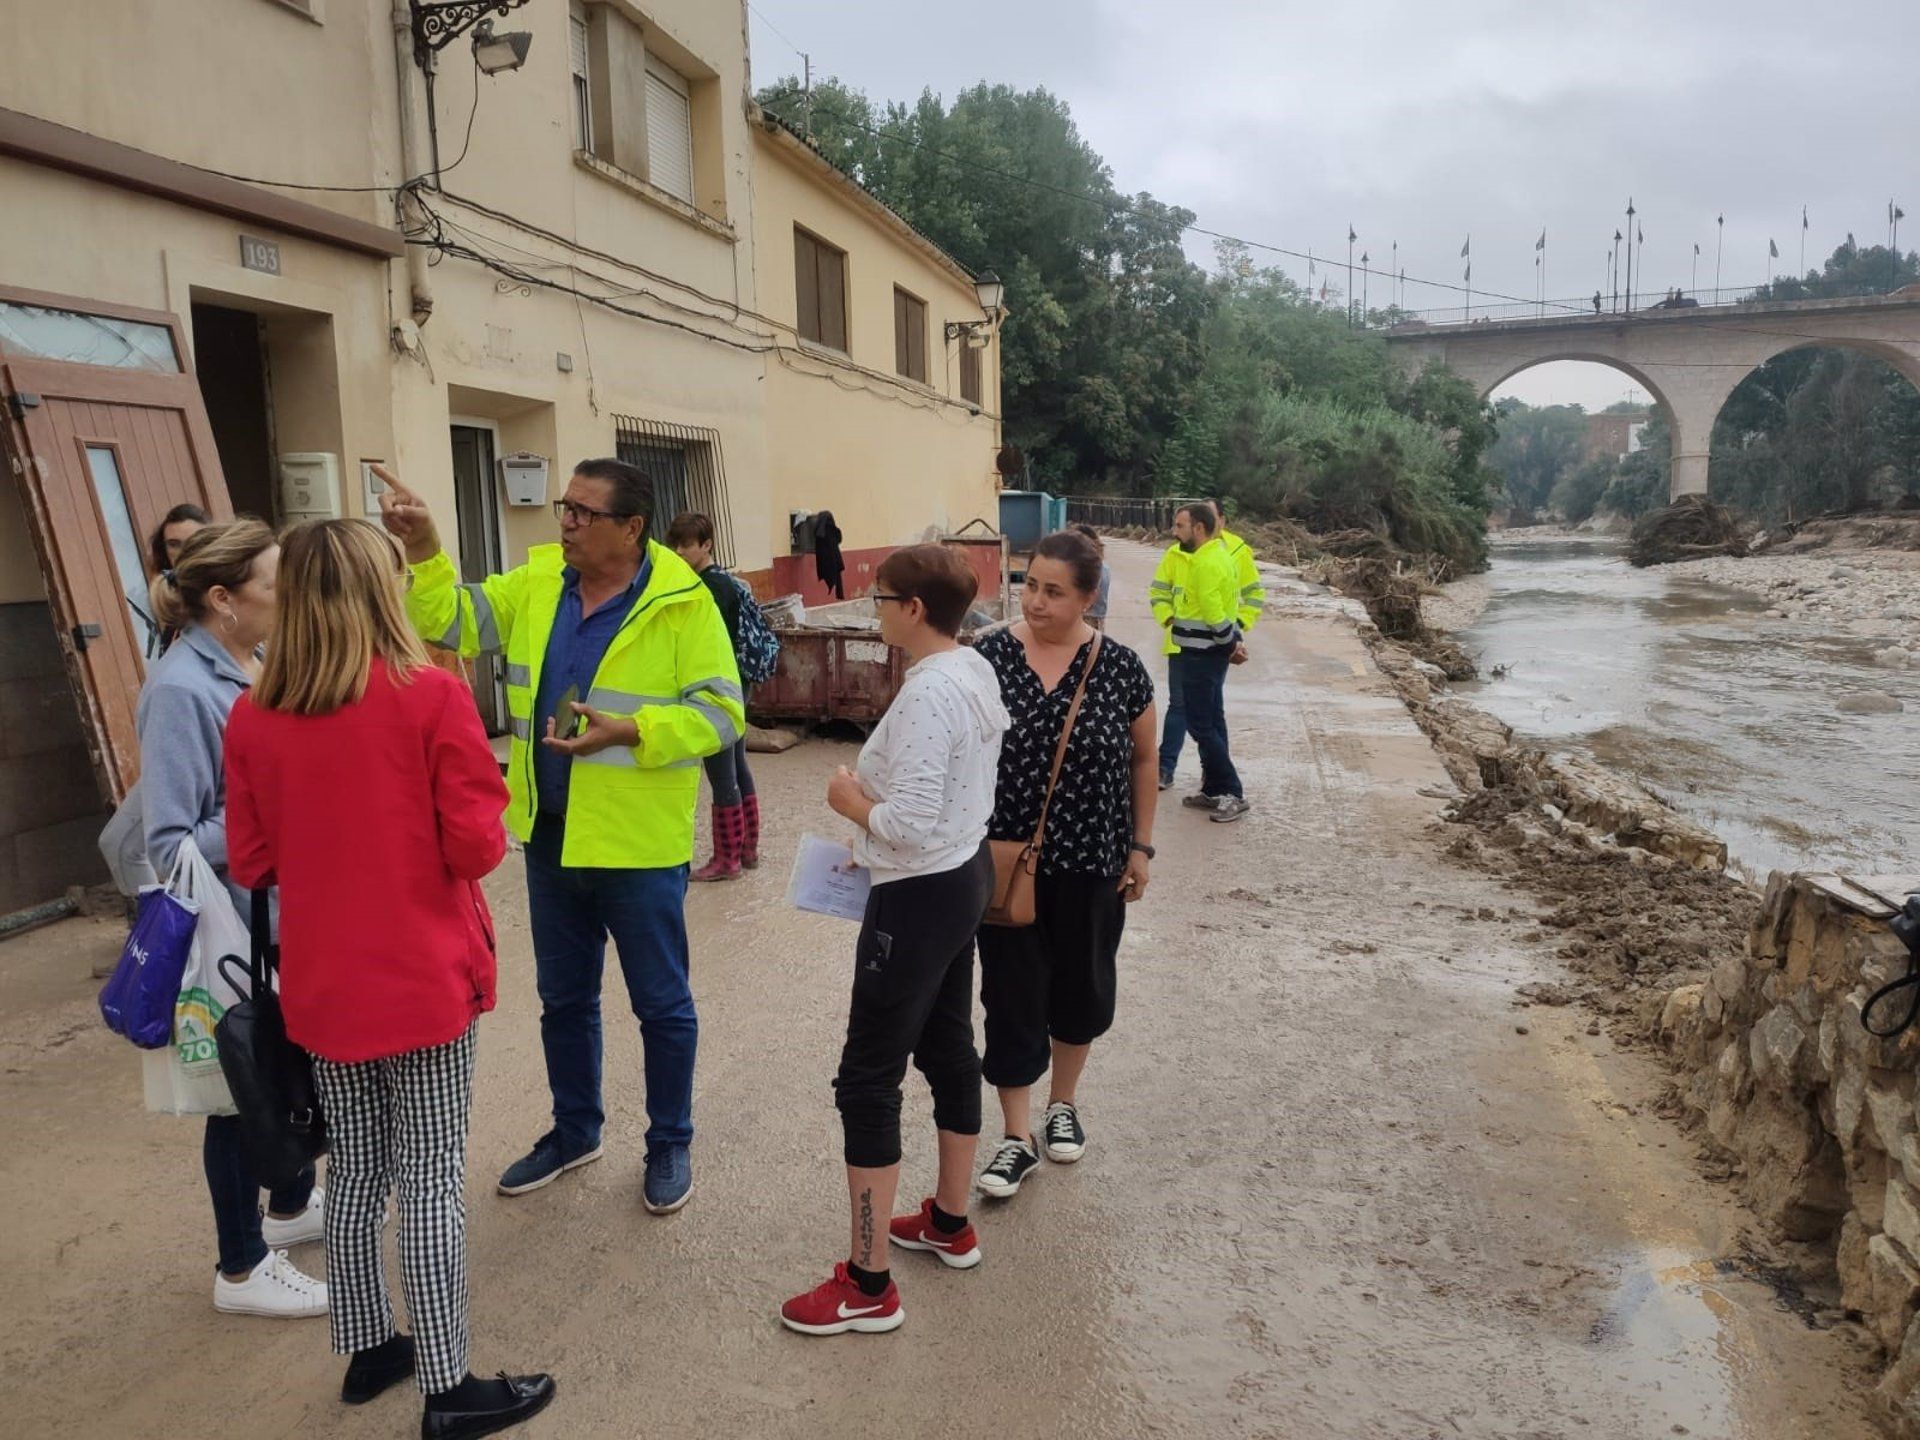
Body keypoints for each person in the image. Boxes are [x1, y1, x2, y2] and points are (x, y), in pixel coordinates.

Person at [226, 519, 554, 1439]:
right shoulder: (430, 696)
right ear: (383, 590)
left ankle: (370, 1347)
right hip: (422, 976)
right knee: (434, 1178)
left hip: (324, 985)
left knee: (362, 1172)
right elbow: (477, 846)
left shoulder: (254, 713)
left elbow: (251, 860)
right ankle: (449, 1387)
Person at [377, 459, 741, 1215]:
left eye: (583, 512)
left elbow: (722, 714)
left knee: (662, 1004)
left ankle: (669, 1140)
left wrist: (635, 728)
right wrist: (425, 549)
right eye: (563, 507)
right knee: (563, 1000)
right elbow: (448, 620)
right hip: (549, 833)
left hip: (638, 846)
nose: (566, 523)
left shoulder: (683, 602)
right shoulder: (539, 582)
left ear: (630, 528)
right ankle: (576, 1131)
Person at [779, 545, 1007, 1336]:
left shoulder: (929, 694)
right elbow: (952, 794)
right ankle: (949, 1222)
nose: (873, 610)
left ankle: (868, 1283)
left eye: (881, 599)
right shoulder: (971, 669)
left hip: (918, 893)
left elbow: (907, 822)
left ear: (913, 610)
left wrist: (851, 801)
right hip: (962, 875)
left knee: (866, 1077)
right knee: (945, 1044)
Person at [136, 518, 327, 1318]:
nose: (290, 598)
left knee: (283, 1068)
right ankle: (241, 1268)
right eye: (275, 586)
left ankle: (287, 1209)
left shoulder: (250, 662)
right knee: (237, 1091)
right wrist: (273, 809)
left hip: (277, 913)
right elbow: (168, 840)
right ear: (223, 599)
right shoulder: (180, 689)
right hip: (232, 926)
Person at [972, 530, 1157, 1197]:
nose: (1038, 601)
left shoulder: (1122, 668)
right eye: (1031, 585)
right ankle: (1016, 1137)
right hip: (1003, 859)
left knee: (1081, 986)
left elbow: (1143, 761)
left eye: (1055, 591)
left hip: (1094, 861)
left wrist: (1139, 847)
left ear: (1087, 597)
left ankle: (1063, 1106)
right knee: (1011, 991)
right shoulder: (988, 656)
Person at [667, 511, 760, 881]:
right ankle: (747, 848)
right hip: (738, 684)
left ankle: (727, 859)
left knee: (721, 773)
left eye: (686, 545)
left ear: (706, 545)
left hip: (720, 688)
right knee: (737, 766)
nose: (678, 552)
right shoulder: (725, 581)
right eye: (674, 544)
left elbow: (705, 644)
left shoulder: (709, 588)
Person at [1150, 503, 1248, 822]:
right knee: (1213, 721)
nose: (1174, 532)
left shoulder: (1205, 562)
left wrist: (1228, 642)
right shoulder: (1217, 555)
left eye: (1180, 526)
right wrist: (1229, 644)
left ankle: (1231, 791)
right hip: (1207, 654)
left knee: (1201, 726)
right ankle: (1215, 790)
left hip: (1200, 656)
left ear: (1199, 529)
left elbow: (1212, 608)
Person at [139, 502, 209, 657]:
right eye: (173, 544)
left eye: (193, 542)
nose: (183, 551)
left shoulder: (230, 589)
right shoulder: (166, 592)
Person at [1072, 523, 1112, 631]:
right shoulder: (1103, 565)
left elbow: (1088, 599)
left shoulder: (1092, 567)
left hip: (1087, 620)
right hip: (1095, 619)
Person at [813, 509, 846, 600]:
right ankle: (839, 595)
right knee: (838, 580)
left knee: (832, 579)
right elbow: (839, 539)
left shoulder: (818, 532)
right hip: (835, 560)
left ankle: (837, 594)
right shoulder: (833, 529)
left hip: (825, 562)